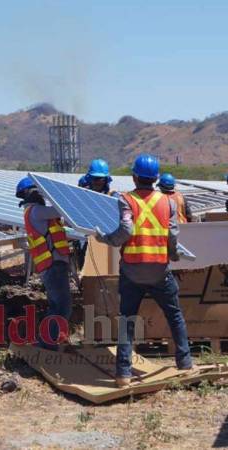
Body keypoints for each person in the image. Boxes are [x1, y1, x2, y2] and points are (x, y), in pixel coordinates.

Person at [95, 154, 193, 387]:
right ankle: (186, 364)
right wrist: (173, 254)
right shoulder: (168, 201)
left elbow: (126, 230)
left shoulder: (125, 199)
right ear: (155, 178)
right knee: (175, 315)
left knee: (127, 321)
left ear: (134, 176)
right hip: (160, 270)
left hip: (131, 271)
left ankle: (123, 375)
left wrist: (106, 239)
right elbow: (172, 233)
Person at [16, 176, 72, 349]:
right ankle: (47, 343)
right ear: (31, 193)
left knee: (58, 305)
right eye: (39, 191)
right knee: (61, 306)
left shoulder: (38, 211)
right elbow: (63, 210)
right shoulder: (36, 211)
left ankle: (51, 340)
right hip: (53, 266)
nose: (42, 195)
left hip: (52, 265)